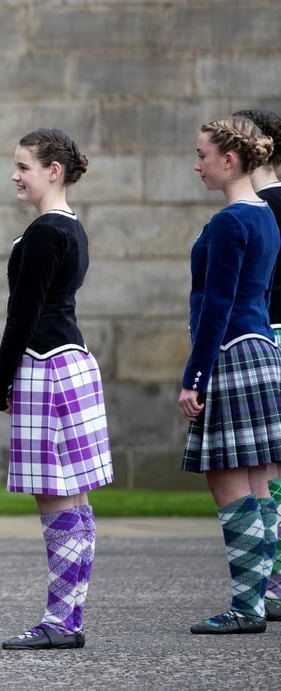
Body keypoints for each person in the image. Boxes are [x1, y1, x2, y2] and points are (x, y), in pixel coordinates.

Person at [0, 128, 113, 651]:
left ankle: (62, 622)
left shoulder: (45, 232)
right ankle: (68, 617)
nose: (15, 175)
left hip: (46, 364)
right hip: (71, 361)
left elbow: (24, 315)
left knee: (58, 498)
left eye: (24, 166)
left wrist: (1, 380)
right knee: (73, 498)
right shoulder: (70, 227)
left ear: (53, 171)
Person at [180, 116, 281, 635]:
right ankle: (265, 595)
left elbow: (215, 306)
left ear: (231, 160)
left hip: (230, 355)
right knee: (260, 481)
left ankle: (246, 607)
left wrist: (193, 376)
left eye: (203, 155)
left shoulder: (227, 223)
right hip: (262, 351)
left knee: (228, 478)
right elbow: (259, 299)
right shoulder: (264, 215)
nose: (196, 165)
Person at [231, 109, 281, 622]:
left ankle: (261, 592)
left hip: (257, 339)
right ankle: (271, 587)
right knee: (270, 469)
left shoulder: (253, 210)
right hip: (267, 338)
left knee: (257, 471)